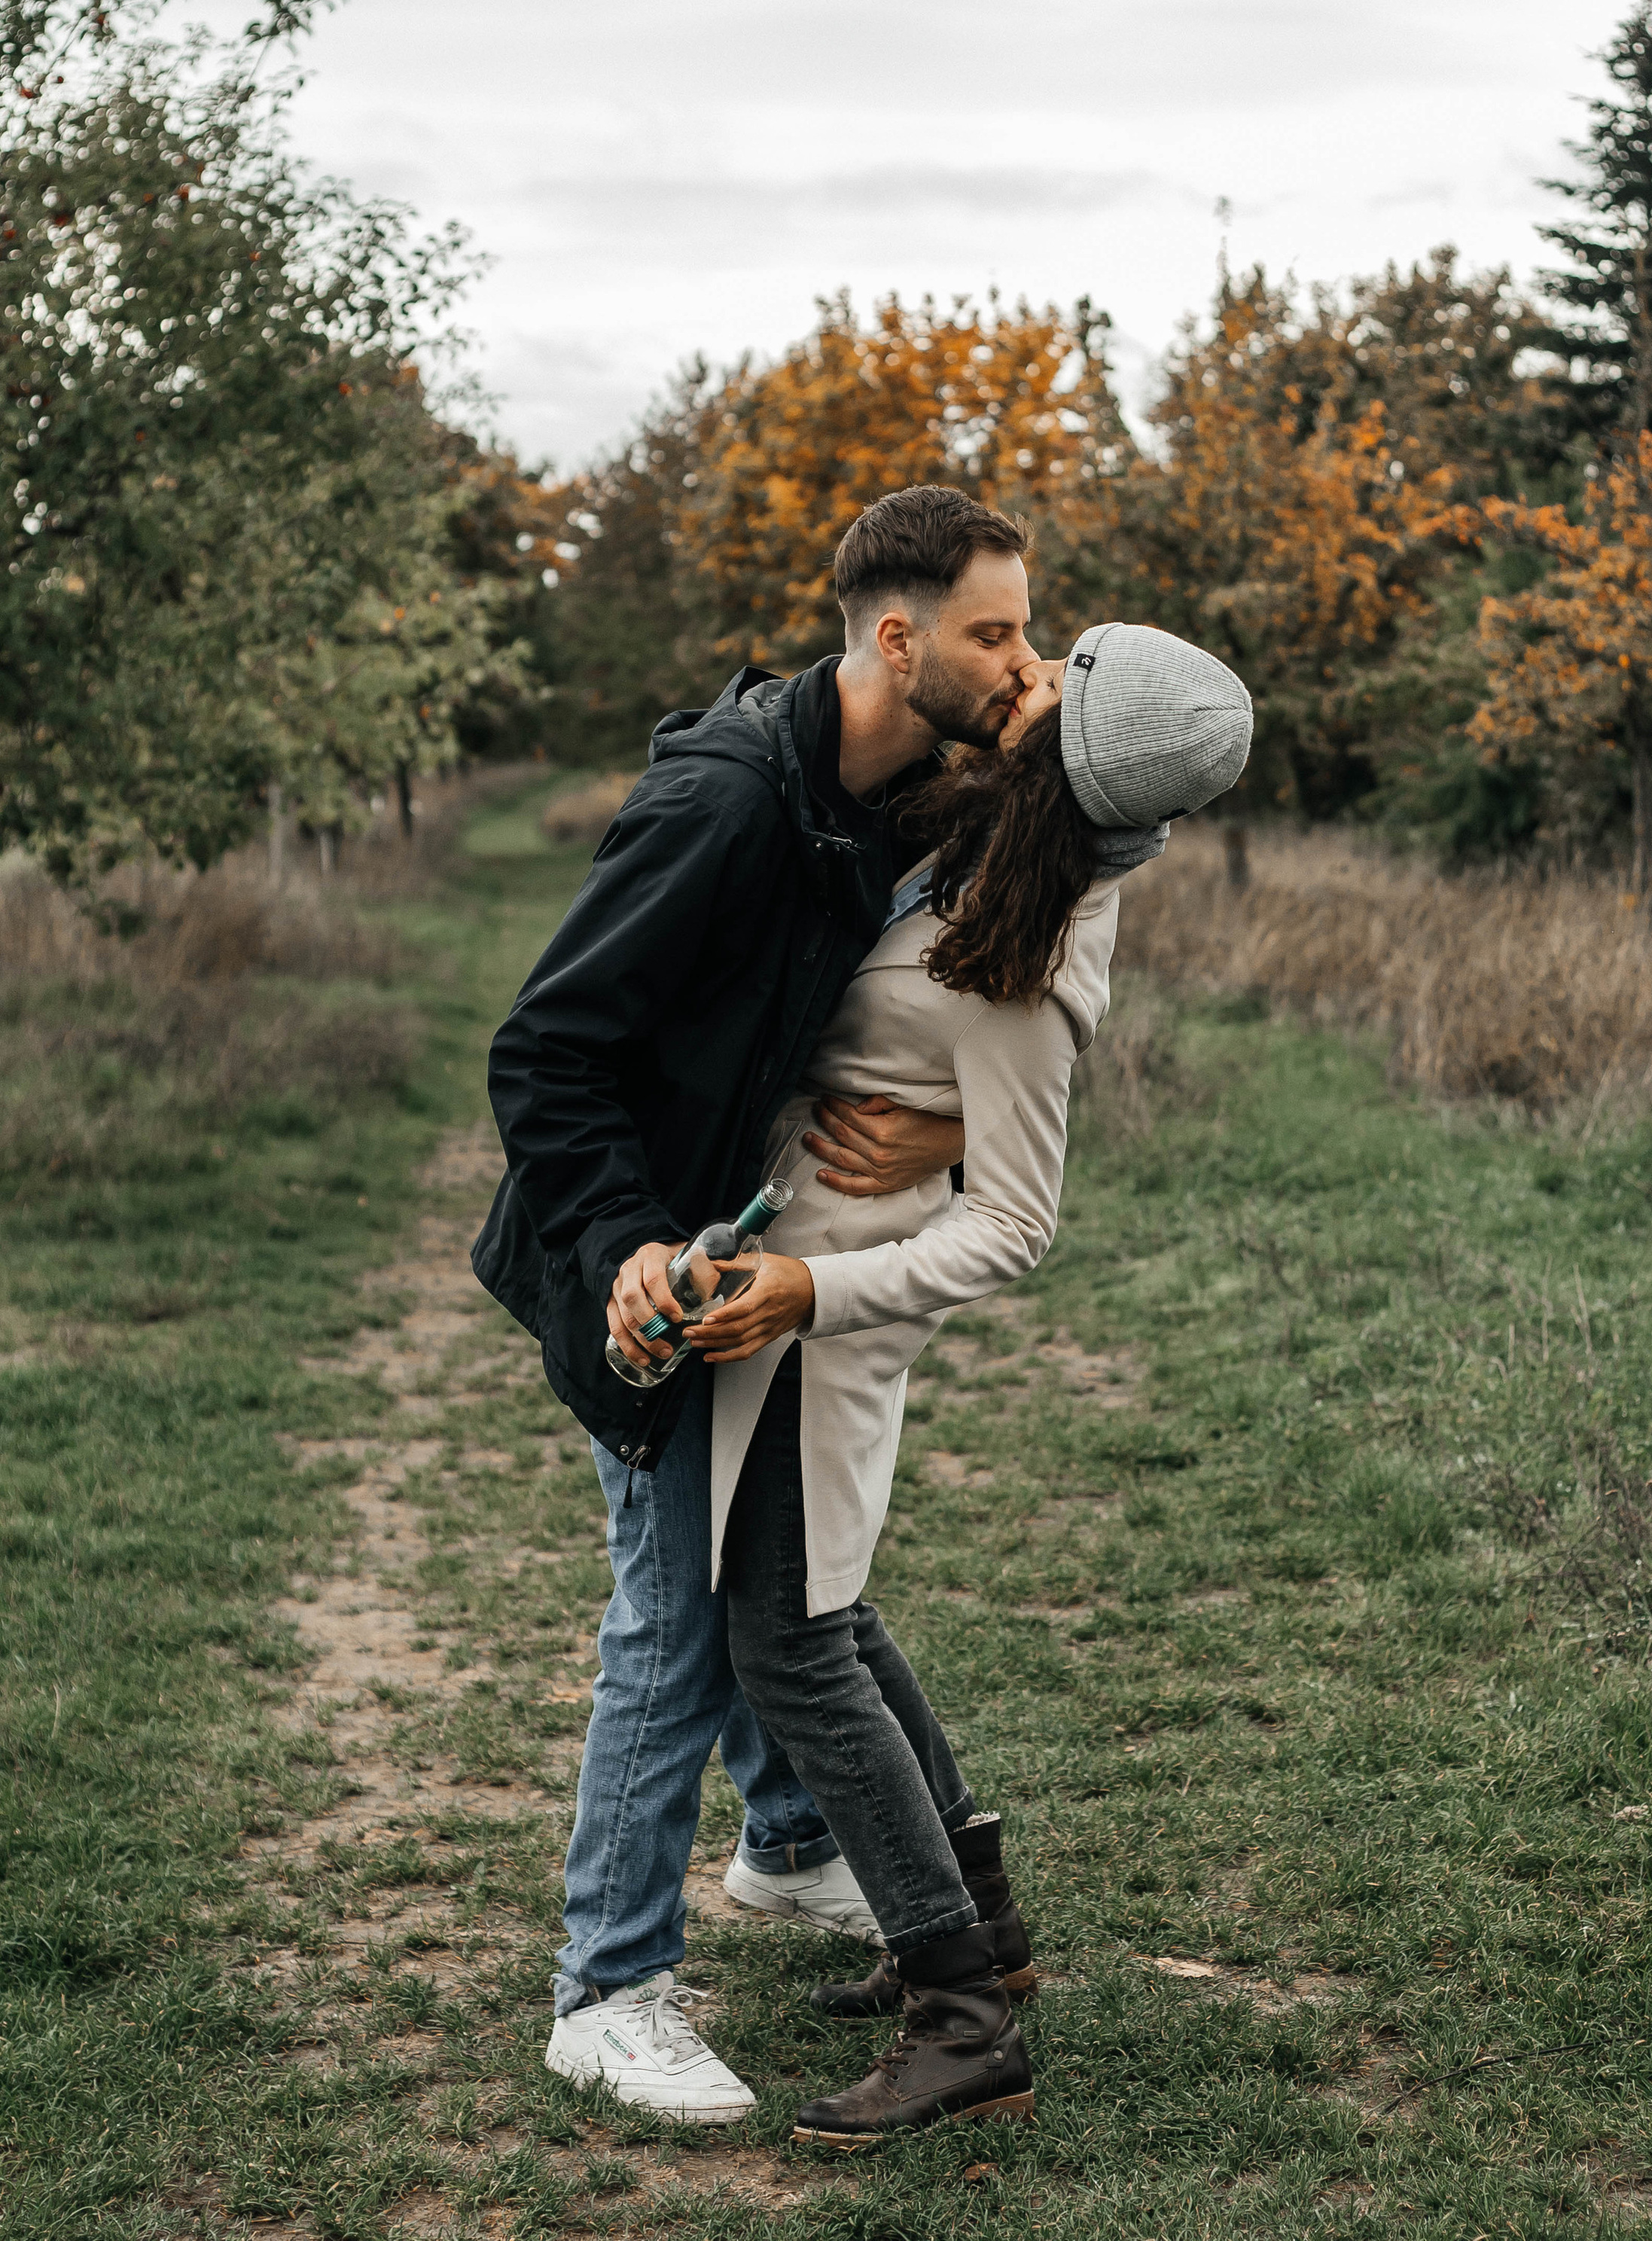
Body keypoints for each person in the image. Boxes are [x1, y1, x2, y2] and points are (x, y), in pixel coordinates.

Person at [619, 624, 1253, 2144]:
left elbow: (1019, 1224)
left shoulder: (1028, 956)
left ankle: (956, 2013)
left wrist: (809, 1284)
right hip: (799, 1272)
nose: (1011, 680)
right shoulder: (983, 853)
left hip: (822, 1302)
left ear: (1067, 764)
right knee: (822, 1612)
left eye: (1039, 687)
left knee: (788, 1643)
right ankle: (981, 1918)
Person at [471, 486, 1042, 2123]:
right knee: (673, 1613)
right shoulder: (729, 803)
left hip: (735, 1233)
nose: (1017, 666)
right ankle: (605, 1984)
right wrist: (634, 1251)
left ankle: (790, 1848)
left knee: (746, 1580)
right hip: (633, 1260)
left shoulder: (890, 793)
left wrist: (930, 1121)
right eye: (993, 634)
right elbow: (543, 1053)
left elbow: (1088, 826)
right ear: (893, 637)